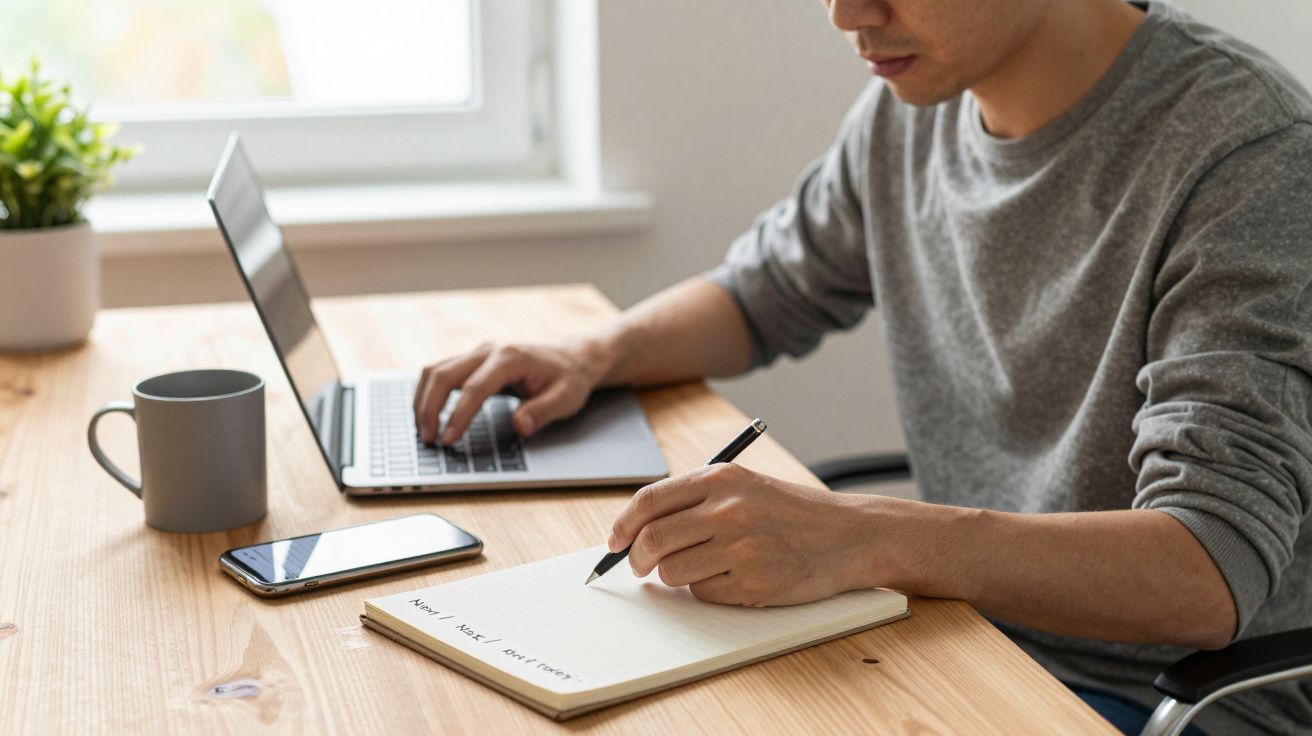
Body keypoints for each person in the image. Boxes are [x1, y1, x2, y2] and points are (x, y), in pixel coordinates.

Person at [413, 1, 1312, 733]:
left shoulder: (1247, 155)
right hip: (956, 633)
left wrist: (870, 535)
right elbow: (766, 291)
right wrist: (592, 353)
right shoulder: (912, 107)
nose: (849, 15)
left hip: (1166, 699)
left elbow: (1210, 569)